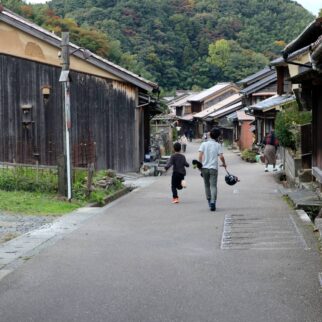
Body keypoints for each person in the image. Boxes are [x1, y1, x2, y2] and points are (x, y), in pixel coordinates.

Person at [198, 127, 227, 211]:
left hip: (204, 168)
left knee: (207, 185)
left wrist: (200, 165)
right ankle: (213, 202)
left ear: (210, 134)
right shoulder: (218, 145)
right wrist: (224, 164)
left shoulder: (204, 144)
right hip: (213, 168)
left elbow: (200, 156)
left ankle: (209, 201)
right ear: (217, 136)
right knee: (213, 186)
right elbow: (221, 156)